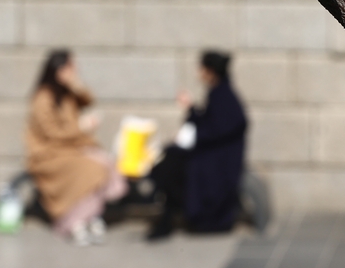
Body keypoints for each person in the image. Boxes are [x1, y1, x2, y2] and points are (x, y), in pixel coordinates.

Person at [25, 49, 127, 245]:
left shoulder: (66, 93)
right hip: (50, 154)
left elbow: (88, 99)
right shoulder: (43, 98)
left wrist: (76, 83)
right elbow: (52, 133)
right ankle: (75, 221)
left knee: (104, 161)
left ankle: (89, 216)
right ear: (58, 69)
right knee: (92, 169)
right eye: (70, 67)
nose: (74, 71)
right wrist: (81, 127)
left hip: (71, 147)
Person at [147, 50, 248, 240]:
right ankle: (167, 219)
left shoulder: (222, 95)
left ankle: (169, 219)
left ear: (210, 72)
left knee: (169, 165)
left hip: (217, 163)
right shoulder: (219, 93)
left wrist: (190, 138)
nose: (198, 73)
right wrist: (192, 109)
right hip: (211, 156)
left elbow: (219, 130)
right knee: (169, 159)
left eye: (202, 68)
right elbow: (211, 125)